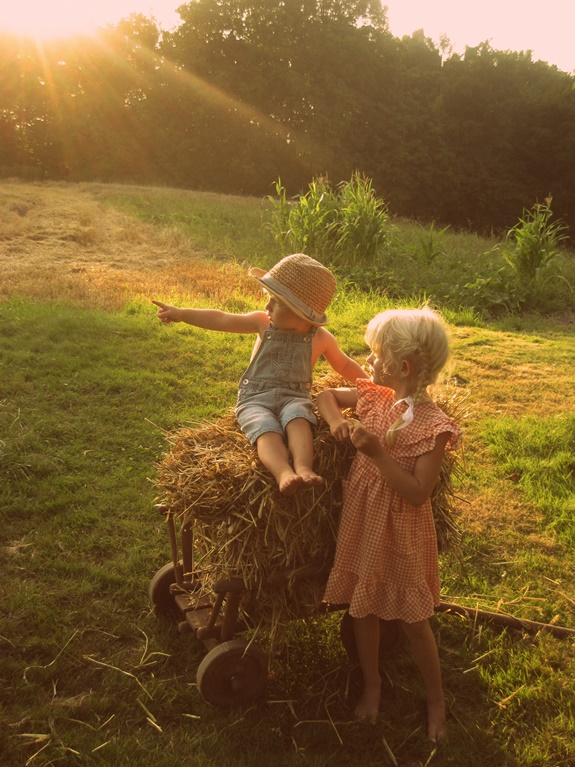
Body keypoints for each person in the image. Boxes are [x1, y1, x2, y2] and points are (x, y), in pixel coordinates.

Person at [316, 306, 461, 742]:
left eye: (375, 354)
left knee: (414, 621)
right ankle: (373, 683)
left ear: (403, 366)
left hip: (400, 532)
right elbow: (324, 398)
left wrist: (378, 454)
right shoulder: (373, 396)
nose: (369, 359)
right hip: (362, 523)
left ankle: (435, 700)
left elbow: (418, 493)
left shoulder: (433, 427)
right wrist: (339, 422)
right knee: (363, 607)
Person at [153, 253, 367, 496]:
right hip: (255, 398)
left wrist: (370, 385)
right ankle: (283, 473)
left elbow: (345, 365)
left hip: (293, 396)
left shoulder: (320, 339)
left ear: (300, 313)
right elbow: (222, 318)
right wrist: (181, 314)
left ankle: (304, 468)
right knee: (265, 429)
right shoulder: (262, 322)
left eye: (275, 301)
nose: (267, 306)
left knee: (299, 420)